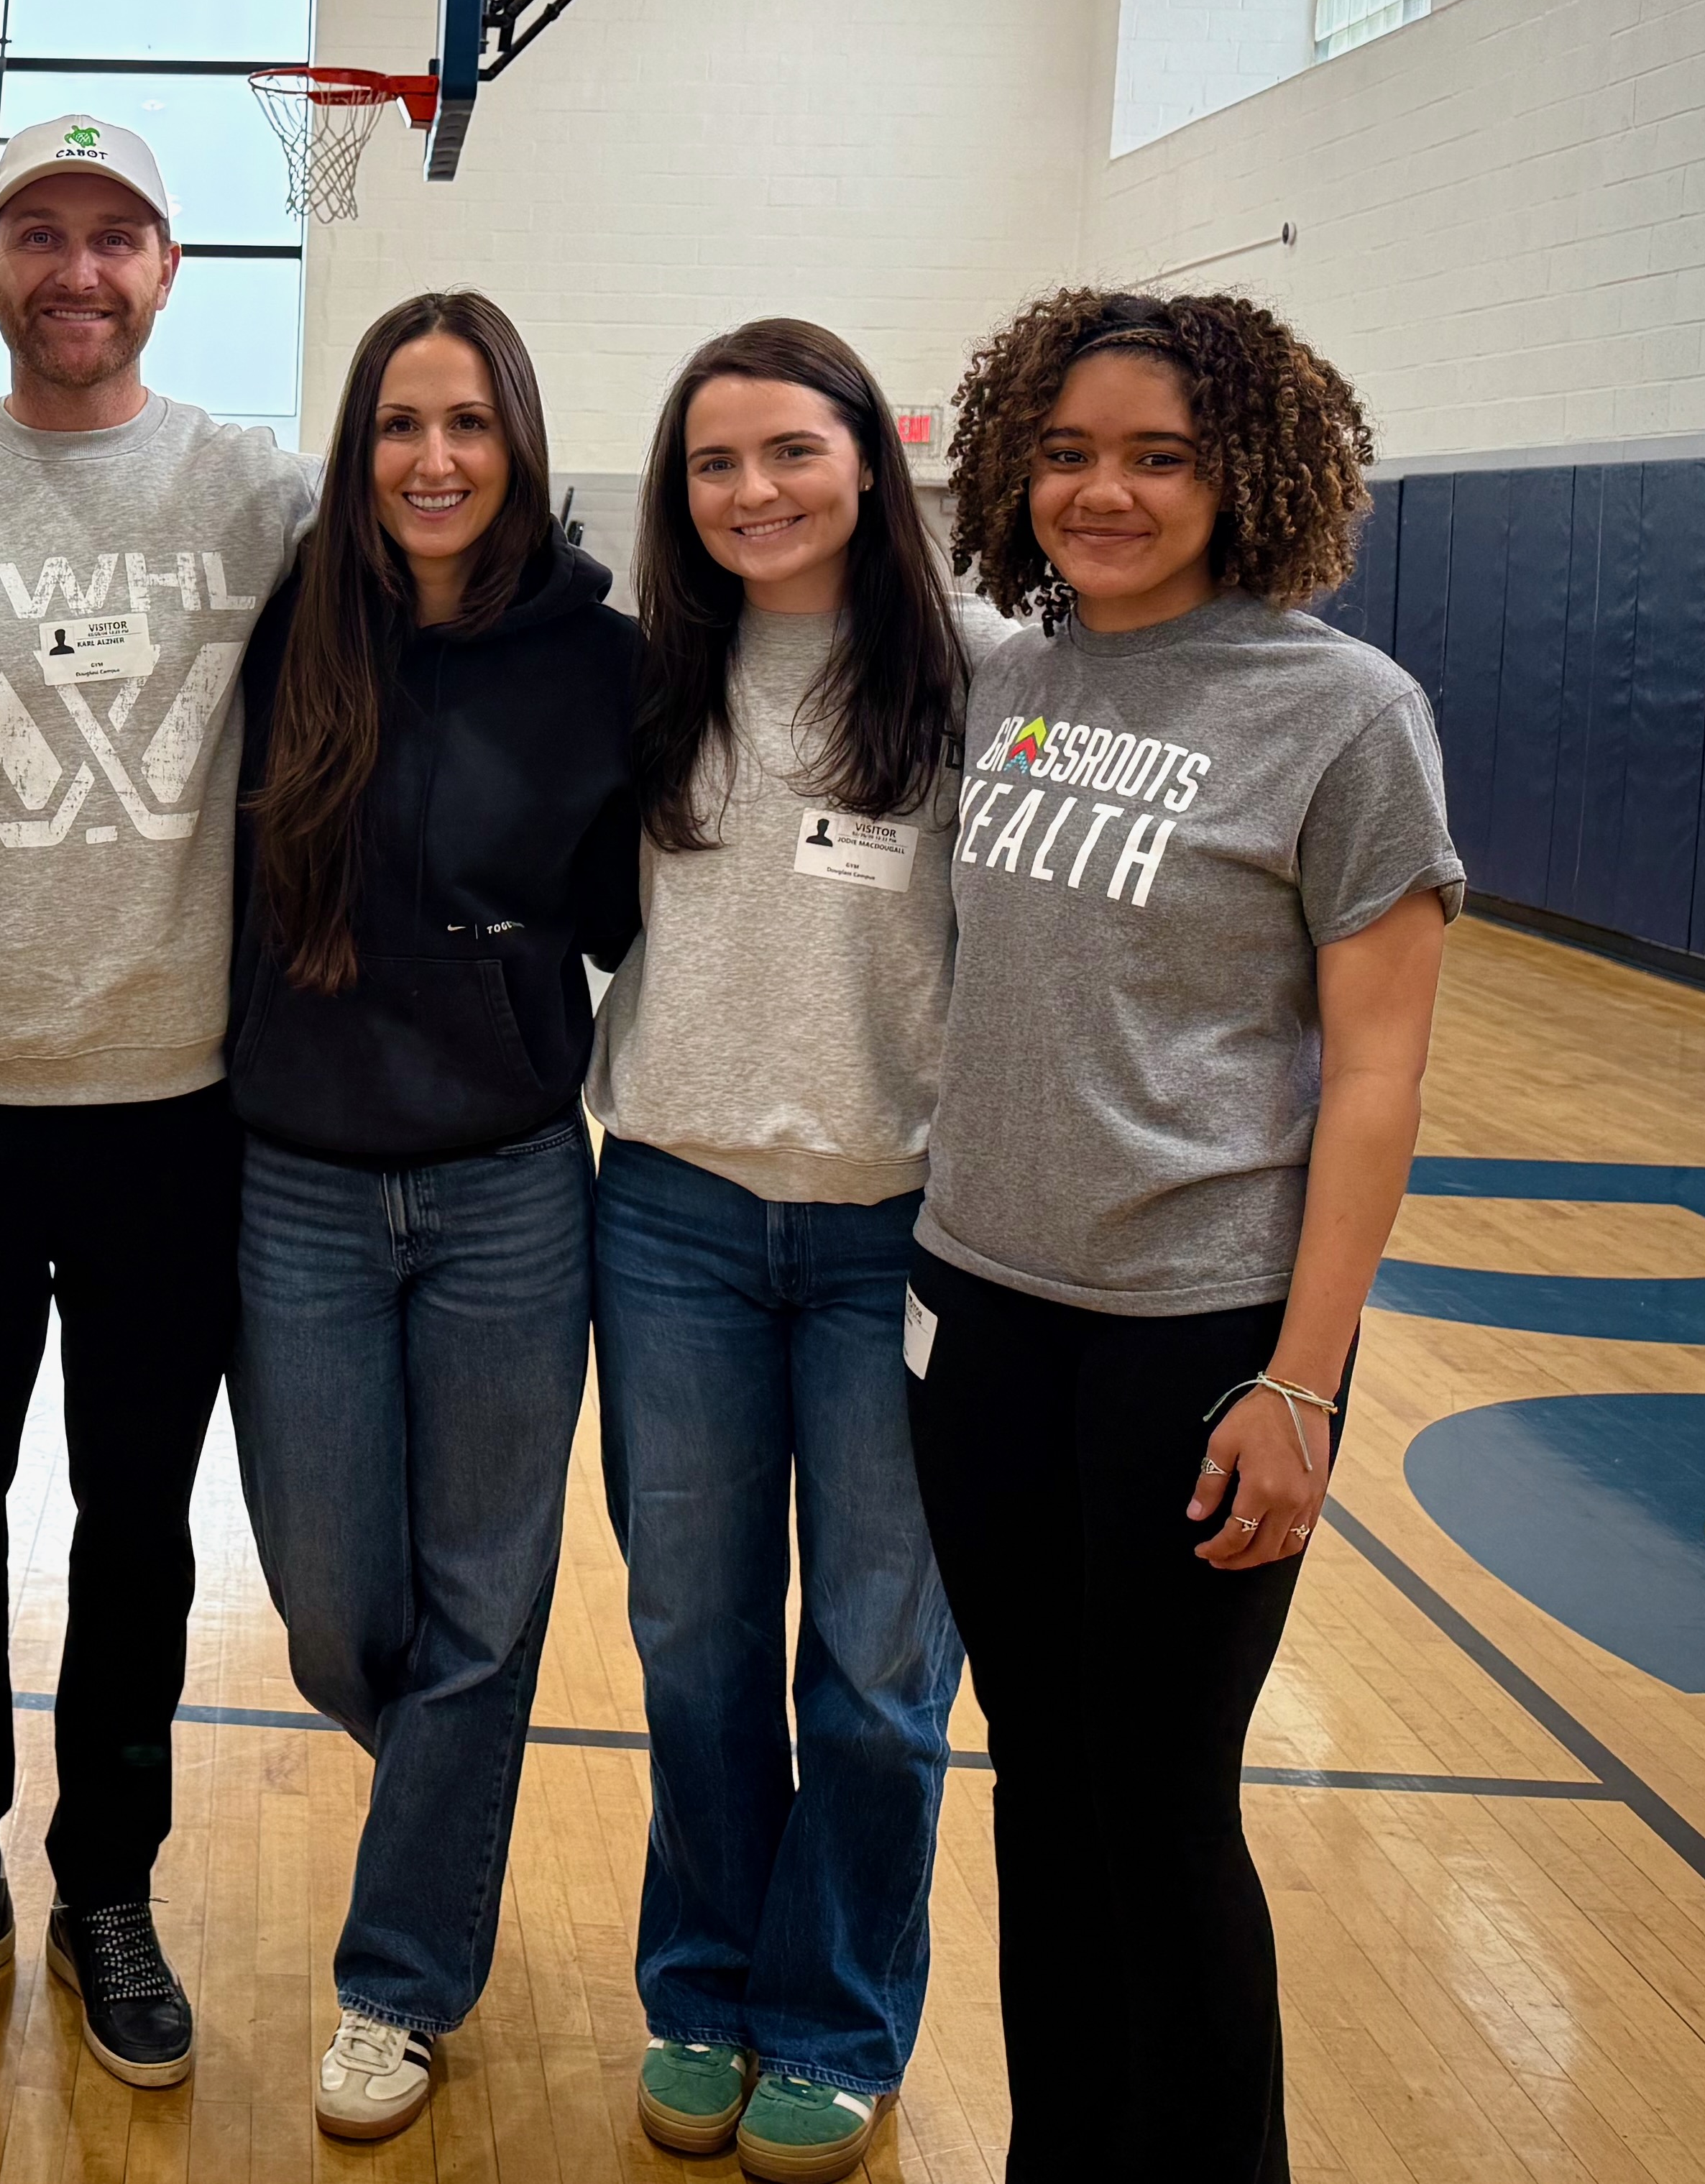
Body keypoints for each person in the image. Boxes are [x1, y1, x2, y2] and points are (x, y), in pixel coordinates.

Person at [909, 289, 1459, 2183]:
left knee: (1157, 1796)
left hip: (1199, 1330)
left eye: (1158, 454)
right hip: (978, 1309)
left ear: (1248, 470)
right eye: (1065, 452)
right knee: (1043, 1785)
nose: (1105, 491)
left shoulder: (1345, 713)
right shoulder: (998, 672)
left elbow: (1377, 1078)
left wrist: (1298, 1381)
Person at [0, 113, 315, 2089]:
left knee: (136, 1528)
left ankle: (109, 1876)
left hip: (173, 1110)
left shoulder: (260, 493)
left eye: (118, 237)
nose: (79, 268)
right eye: (41, 232)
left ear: (168, 270)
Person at [225, 290, 643, 2142]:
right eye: (400, 422)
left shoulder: (604, 662)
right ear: (357, 446)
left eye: (468, 420)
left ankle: (396, 1982)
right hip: (296, 1179)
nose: (434, 458)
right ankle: (443, 1794)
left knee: (485, 1607)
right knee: (337, 1610)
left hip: (507, 1186)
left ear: (520, 441)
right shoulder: (287, 629)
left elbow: (647, 909)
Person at [584, 321, 996, 2183]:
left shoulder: (984, 682)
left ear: (867, 459)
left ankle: (832, 2015)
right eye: (713, 461)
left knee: (878, 1668)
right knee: (693, 1644)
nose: (752, 490)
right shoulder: (646, 680)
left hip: (898, 1236)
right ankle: (703, 1987)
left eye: (788, 450)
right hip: (666, 1211)